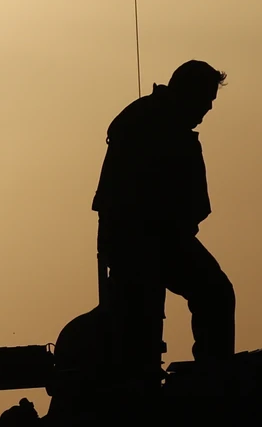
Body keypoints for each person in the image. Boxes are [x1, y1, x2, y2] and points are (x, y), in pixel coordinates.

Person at [91, 59, 237, 376]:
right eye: (205, 100)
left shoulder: (163, 125)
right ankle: (212, 378)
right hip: (140, 242)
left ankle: (213, 372)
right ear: (188, 92)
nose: (208, 109)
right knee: (209, 294)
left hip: (162, 239)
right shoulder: (147, 124)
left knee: (215, 292)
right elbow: (130, 196)